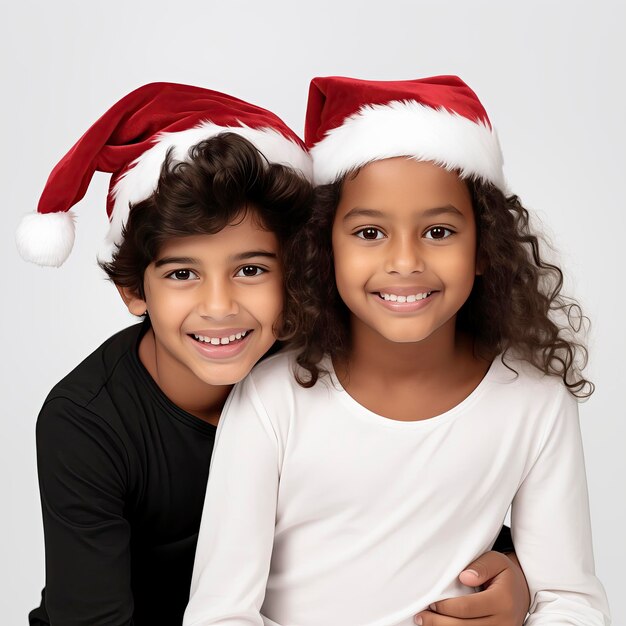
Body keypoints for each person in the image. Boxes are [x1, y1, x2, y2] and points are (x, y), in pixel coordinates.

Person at [19, 82, 528, 626]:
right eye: (183, 273)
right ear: (133, 291)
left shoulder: (319, 367)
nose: (221, 306)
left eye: (252, 270)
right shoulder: (87, 423)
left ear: (298, 272)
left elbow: (426, 494)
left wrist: (516, 574)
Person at [184, 76, 611, 625]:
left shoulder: (535, 400)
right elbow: (219, 615)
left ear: (484, 247)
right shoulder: (273, 400)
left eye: (438, 232)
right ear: (323, 248)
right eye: (369, 234)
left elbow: (571, 601)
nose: (405, 262)